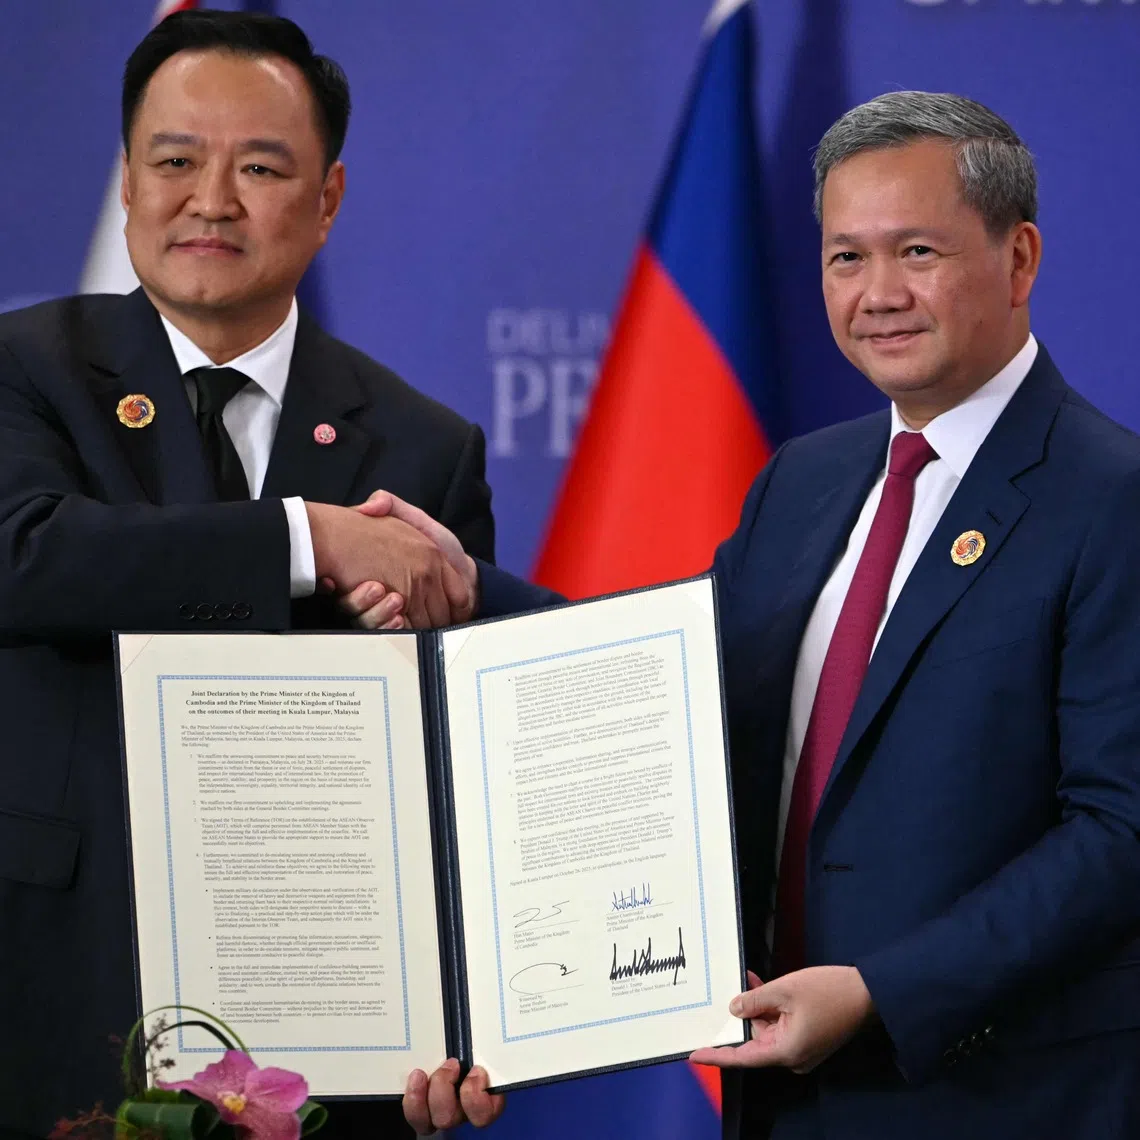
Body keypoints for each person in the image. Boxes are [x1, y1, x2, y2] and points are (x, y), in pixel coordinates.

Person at [365, 93, 1140, 1138]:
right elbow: (666, 708)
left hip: (994, 1099)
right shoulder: (805, 483)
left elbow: (1120, 833)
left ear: (1021, 257)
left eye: (917, 250)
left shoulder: (1110, 496)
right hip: (782, 1092)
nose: (879, 294)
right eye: (844, 258)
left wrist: (878, 991)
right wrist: (466, 589)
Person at [0, 10, 492, 1139]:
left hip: (329, 1031)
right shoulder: (21, 370)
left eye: (260, 167)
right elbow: (24, 558)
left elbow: (452, 766)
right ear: (127, 181)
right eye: (175, 161)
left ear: (327, 200)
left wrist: (471, 1016)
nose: (210, 200)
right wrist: (311, 544)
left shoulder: (428, 447)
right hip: (50, 996)